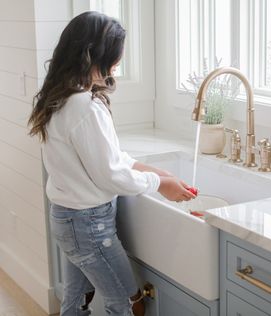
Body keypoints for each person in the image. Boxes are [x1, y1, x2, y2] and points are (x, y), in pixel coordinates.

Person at [28, 11, 195, 316]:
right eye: (115, 55)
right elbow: (110, 176)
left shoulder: (58, 97)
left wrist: (154, 172)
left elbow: (109, 159)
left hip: (68, 219)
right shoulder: (85, 107)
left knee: (75, 302)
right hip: (90, 225)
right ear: (93, 53)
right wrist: (160, 184)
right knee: (128, 304)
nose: (117, 63)